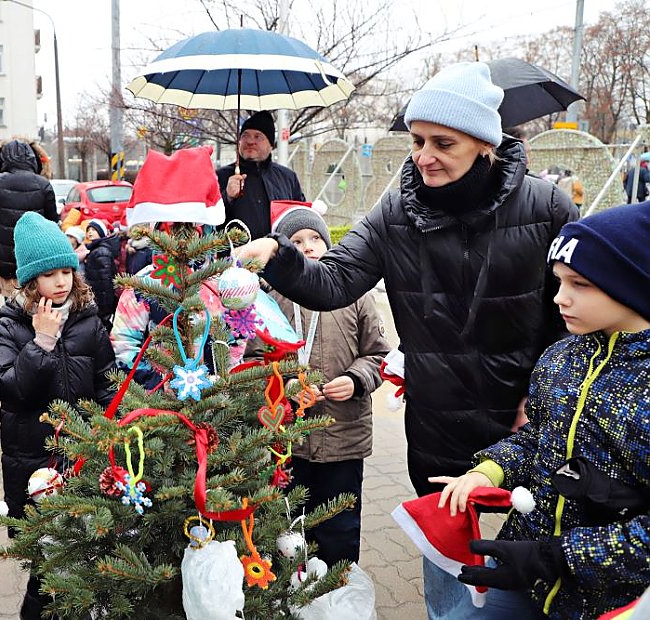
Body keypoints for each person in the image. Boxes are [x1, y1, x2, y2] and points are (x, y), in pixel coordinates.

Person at [236, 61, 580, 618]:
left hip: (528, 419)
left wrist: (544, 401)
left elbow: (575, 316)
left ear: (484, 145)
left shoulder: (546, 207)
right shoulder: (395, 211)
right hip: (437, 417)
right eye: (418, 140)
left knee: (532, 565)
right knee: (445, 562)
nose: (424, 156)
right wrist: (280, 256)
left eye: (443, 142)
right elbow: (335, 280)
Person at [432, 202, 650, 619]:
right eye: (559, 281)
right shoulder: (561, 355)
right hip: (524, 572)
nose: (559, 297)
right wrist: (488, 471)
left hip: (610, 603)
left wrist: (557, 557)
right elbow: (539, 435)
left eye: (580, 284)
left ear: (632, 284)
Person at [0, 211, 115, 620]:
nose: (60, 281)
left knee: (92, 555)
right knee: (46, 569)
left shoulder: (89, 321)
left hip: (84, 456)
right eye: (48, 275)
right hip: (35, 460)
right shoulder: (10, 325)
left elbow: (106, 383)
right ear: (30, 281)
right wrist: (41, 341)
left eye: (65, 271)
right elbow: (8, 388)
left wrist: (109, 431)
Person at [246, 205, 389, 567]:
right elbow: (255, 362)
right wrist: (285, 384)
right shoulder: (269, 301)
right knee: (289, 526)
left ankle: (339, 589)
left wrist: (356, 379)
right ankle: (290, 592)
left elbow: (378, 354)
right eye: (296, 241)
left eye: (315, 239)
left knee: (340, 526)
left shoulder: (356, 297)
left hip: (344, 436)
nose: (308, 247)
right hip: (289, 440)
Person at [0, 138, 58, 297]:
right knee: (35, 305)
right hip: (35, 257)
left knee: (11, 305)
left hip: (4, 260)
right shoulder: (44, 184)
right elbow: (53, 224)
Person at [216, 110, 305, 240]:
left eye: (258, 136)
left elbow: (301, 218)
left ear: (270, 145)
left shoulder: (287, 178)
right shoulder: (220, 177)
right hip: (236, 258)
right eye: (245, 135)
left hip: (279, 256)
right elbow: (207, 224)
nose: (250, 141)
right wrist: (227, 197)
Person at [83, 218, 120, 328]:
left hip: (102, 302)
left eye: (93, 230)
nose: (90, 232)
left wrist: (104, 307)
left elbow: (105, 282)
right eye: (88, 230)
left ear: (101, 232)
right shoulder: (96, 249)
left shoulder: (101, 252)